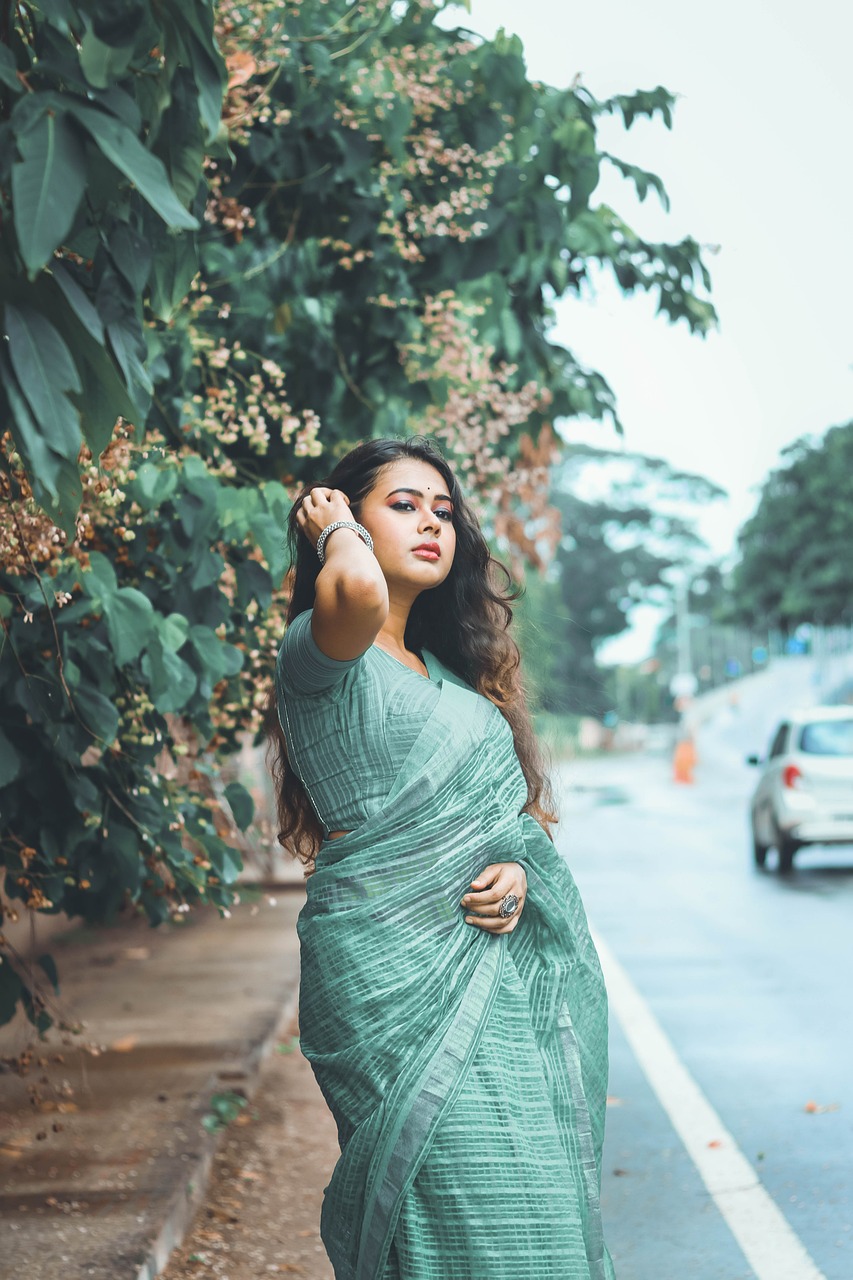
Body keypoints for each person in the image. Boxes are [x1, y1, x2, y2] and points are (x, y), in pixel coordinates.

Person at [265, 436, 614, 1280]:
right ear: (348, 518)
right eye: (404, 504)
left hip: (495, 978)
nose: (431, 522)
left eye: (444, 511)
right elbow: (352, 588)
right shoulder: (323, 648)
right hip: (388, 979)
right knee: (445, 1198)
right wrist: (331, 529)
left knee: (535, 1195)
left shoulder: (455, 683)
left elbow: (506, 828)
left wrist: (518, 875)